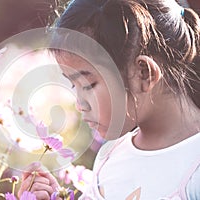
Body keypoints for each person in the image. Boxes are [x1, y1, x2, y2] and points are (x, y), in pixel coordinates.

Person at [18, 0, 200, 199]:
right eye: (73, 85)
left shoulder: (194, 169)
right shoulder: (110, 156)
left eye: (87, 85)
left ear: (144, 73)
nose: (79, 104)